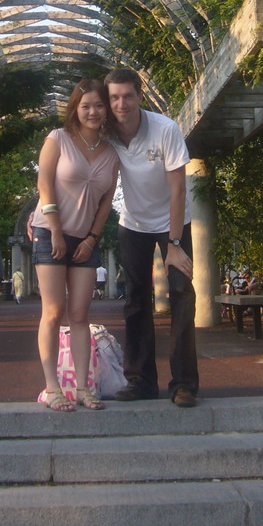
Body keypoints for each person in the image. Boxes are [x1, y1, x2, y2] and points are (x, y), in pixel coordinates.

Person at [105, 67, 199, 408]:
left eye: (127, 95)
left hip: (174, 222)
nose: (121, 103)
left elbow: (178, 190)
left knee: (181, 294)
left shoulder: (165, 129)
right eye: (114, 97)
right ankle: (140, 380)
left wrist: (174, 246)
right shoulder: (106, 132)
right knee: (135, 300)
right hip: (132, 223)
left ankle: (184, 384)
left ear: (140, 96)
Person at [31, 78, 119, 412]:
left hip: (85, 239)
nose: (93, 112)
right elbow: (44, 183)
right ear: (75, 109)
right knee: (53, 312)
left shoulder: (111, 152)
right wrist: (54, 230)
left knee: (80, 314)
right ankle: (53, 388)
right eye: (86, 106)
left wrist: (92, 237)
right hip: (49, 232)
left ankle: (84, 388)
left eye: (99, 105)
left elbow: (106, 201)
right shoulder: (58, 139)